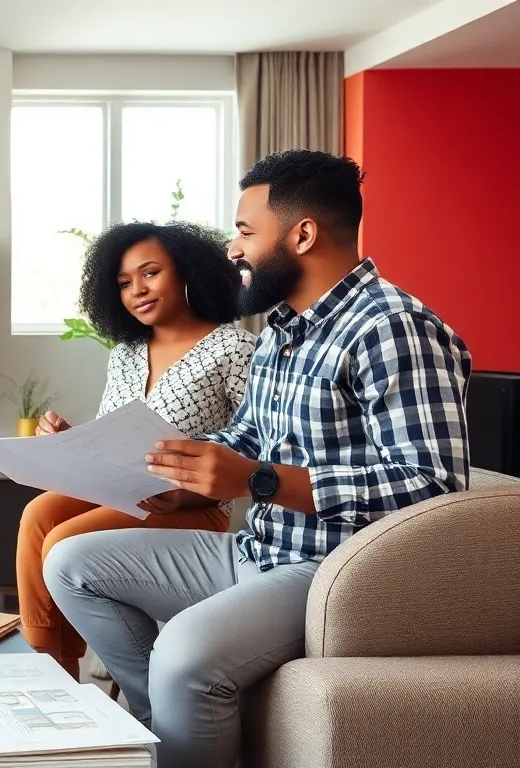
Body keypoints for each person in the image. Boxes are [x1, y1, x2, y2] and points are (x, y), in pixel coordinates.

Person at [43, 149, 471, 768]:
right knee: (72, 562)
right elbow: (247, 438)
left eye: (245, 231)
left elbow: (433, 490)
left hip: (333, 569)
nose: (233, 250)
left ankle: (179, 714)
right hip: (256, 551)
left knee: (184, 654)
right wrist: (183, 484)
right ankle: (161, 728)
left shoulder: (394, 328)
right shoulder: (283, 329)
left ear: (302, 234)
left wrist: (259, 480)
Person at [16, 220, 256, 680]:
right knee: (39, 515)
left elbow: (259, 443)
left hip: (191, 505)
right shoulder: (125, 353)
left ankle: (63, 673)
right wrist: (72, 438)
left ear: (186, 272)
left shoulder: (234, 348)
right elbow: (115, 438)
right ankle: (51, 665)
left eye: (150, 274)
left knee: (65, 540)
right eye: (124, 283)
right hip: (121, 490)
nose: (137, 291)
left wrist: (191, 488)